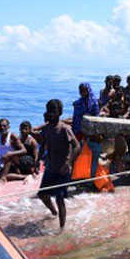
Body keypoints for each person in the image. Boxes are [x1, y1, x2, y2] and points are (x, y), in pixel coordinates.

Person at [38, 99, 80, 230]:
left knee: (59, 198)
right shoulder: (45, 129)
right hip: (51, 167)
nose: (51, 114)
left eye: (54, 112)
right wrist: (38, 160)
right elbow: (43, 145)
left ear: (60, 113)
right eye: (49, 111)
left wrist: (69, 162)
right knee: (42, 194)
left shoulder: (64, 129)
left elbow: (77, 146)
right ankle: (54, 212)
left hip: (62, 169)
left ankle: (62, 228)